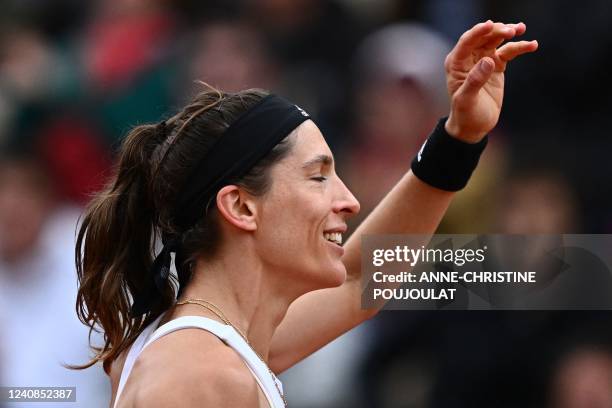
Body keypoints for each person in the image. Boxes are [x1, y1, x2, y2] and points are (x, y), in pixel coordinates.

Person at [72, 21, 537, 407]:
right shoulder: (199, 374)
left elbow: (364, 277)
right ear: (240, 206)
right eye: (318, 177)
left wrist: (460, 136)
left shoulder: (223, 346)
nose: (350, 201)